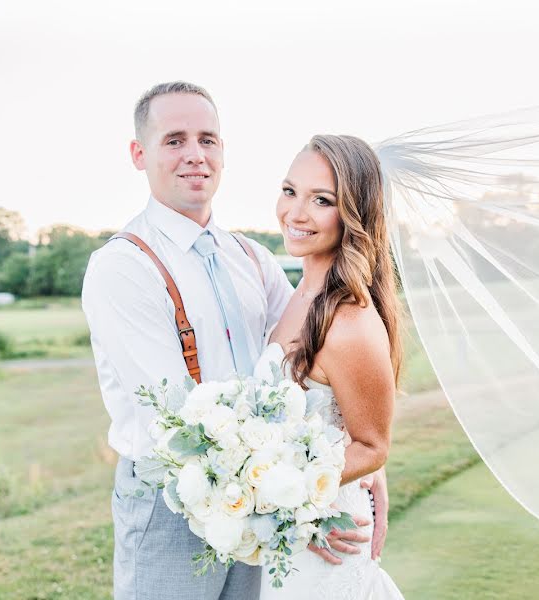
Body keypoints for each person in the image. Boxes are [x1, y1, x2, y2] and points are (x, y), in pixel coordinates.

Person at [81, 82, 388, 600]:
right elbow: (175, 422)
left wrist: (352, 471)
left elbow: (318, 364)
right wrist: (300, 495)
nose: (195, 155)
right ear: (140, 154)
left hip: (263, 501)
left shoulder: (251, 259)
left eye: (208, 139)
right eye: (174, 140)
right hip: (170, 506)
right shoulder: (124, 266)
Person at [254, 135, 405, 599]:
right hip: (292, 535)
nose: (295, 213)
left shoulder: (350, 322)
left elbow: (372, 445)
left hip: (328, 541)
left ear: (353, 216)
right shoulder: (298, 294)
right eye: (289, 191)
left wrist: (282, 493)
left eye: (321, 200)